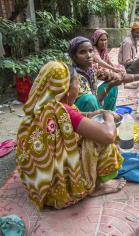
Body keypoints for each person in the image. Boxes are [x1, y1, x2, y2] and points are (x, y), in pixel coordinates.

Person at [16, 61, 125, 210]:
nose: (78, 88)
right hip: (58, 190)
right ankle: (97, 186)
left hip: (37, 184)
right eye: (76, 83)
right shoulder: (62, 111)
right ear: (66, 89)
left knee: (91, 129)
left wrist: (93, 114)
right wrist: (108, 115)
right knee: (100, 140)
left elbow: (76, 116)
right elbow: (108, 135)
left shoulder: (40, 105)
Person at [68, 36, 139, 112]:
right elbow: (93, 100)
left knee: (112, 85)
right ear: (74, 56)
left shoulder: (92, 69)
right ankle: (96, 122)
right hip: (79, 112)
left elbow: (118, 77)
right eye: (82, 52)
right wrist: (109, 85)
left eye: (90, 51)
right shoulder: (74, 76)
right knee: (91, 98)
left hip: (94, 100)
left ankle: (109, 113)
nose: (89, 55)